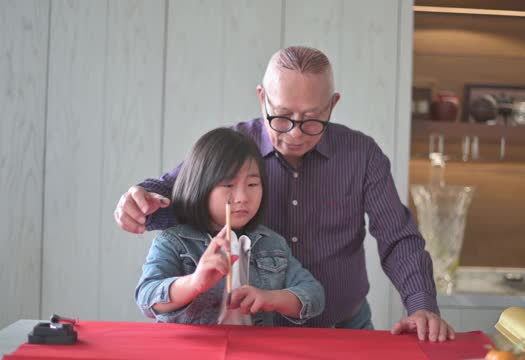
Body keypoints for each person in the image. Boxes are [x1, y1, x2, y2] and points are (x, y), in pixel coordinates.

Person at [117, 46, 455, 341]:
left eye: (311, 119)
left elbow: (398, 237)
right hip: (255, 333)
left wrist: (422, 306)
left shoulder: (361, 155)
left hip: (341, 326)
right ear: (263, 97)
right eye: (281, 117)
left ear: (332, 105)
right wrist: (140, 199)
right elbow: (177, 191)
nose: (294, 133)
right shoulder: (235, 145)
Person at [135, 127, 325, 325]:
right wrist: (194, 283)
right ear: (199, 186)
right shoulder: (173, 242)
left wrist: (272, 298)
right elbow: (146, 297)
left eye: (252, 185)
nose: (243, 198)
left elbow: (314, 295)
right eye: (228, 185)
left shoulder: (273, 244)